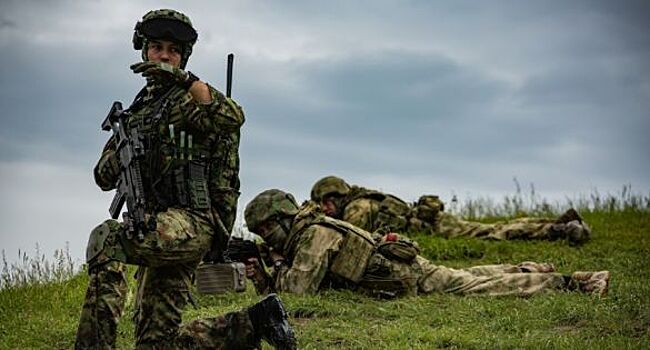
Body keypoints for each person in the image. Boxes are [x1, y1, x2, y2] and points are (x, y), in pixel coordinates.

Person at [75, 9, 296, 349]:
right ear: (143, 51)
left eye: (173, 50)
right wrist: (124, 154)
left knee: (105, 238)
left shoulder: (187, 100)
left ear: (183, 58)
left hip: (191, 225)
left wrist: (185, 80)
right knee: (155, 344)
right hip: (153, 227)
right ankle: (254, 322)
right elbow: (101, 178)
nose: (164, 56)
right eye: (157, 47)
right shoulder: (135, 115)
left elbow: (231, 116)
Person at [243, 189, 609, 299]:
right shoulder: (313, 229)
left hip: (407, 277)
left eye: (265, 230)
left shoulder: (314, 235)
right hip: (405, 268)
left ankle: (574, 281)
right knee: (465, 276)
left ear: (282, 219)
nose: (265, 238)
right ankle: (531, 268)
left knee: (476, 287)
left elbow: (298, 290)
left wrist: (268, 273)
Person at [310, 175, 591, 245]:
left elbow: (358, 239)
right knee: (493, 227)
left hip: (436, 228)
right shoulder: (362, 201)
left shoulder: (357, 209)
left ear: (337, 196)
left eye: (327, 202)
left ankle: (559, 229)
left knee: (493, 233)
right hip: (433, 223)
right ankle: (559, 222)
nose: (325, 209)